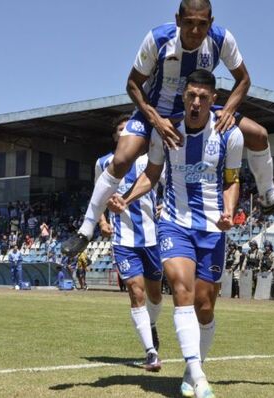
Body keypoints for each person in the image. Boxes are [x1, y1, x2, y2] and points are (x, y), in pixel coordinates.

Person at [62, 0, 274, 257]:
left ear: (210, 23)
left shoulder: (222, 40)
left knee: (259, 134)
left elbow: (244, 80)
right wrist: (156, 120)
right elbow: (133, 85)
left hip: (196, 106)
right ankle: (85, 230)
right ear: (178, 19)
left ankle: (269, 198)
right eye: (189, 23)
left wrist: (227, 110)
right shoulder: (158, 39)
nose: (195, 30)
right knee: (122, 158)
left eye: (202, 24)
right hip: (154, 112)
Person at [108, 70, 241, 398]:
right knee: (181, 288)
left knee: (204, 305)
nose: (196, 102)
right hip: (174, 223)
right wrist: (125, 198)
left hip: (212, 229)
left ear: (213, 101)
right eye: (191, 95)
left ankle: (192, 368)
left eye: (203, 97)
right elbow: (152, 174)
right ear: (183, 96)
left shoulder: (229, 135)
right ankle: (199, 377)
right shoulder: (165, 131)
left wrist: (228, 211)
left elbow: (232, 179)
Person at [97, 114, 164, 372]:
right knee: (136, 292)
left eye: (130, 129)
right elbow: (98, 195)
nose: (126, 133)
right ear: (116, 137)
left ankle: (152, 325)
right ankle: (150, 352)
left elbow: (172, 189)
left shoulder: (151, 161)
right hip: (123, 239)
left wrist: (164, 207)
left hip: (152, 238)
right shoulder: (103, 163)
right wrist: (102, 221)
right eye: (121, 130)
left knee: (155, 295)